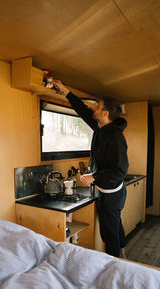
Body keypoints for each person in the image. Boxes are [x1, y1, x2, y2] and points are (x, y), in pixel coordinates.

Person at [52, 80, 129, 258]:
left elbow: (119, 171)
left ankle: (115, 267)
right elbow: (82, 110)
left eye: (97, 107)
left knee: (109, 233)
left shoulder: (116, 139)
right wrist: (65, 91)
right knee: (115, 225)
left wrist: (94, 176)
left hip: (113, 193)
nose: (93, 109)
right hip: (107, 190)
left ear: (105, 113)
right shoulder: (100, 126)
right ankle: (123, 257)